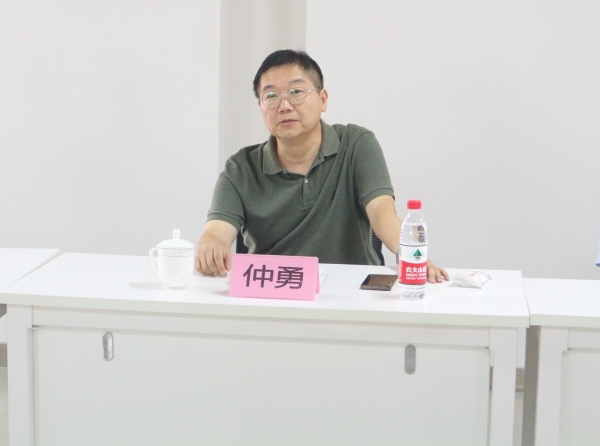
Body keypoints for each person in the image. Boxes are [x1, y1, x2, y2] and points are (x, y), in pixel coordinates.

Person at [196, 49, 449, 283]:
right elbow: (216, 232)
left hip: (351, 291)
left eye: (296, 92)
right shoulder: (241, 168)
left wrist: (409, 256)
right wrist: (211, 245)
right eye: (271, 96)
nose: (284, 106)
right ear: (260, 107)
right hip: (274, 293)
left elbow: (382, 212)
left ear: (323, 99)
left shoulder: (356, 145)